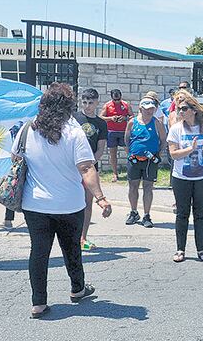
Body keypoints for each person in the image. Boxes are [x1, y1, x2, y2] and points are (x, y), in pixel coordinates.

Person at [18, 83, 112, 318]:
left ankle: (38, 303)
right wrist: (100, 198)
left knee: (38, 252)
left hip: (35, 203)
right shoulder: (74, 132)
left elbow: (15, 157)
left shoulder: (28, 129)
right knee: (71, 248)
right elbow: (87, 168)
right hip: (69, 203)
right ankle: (77, 289)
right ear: (69, 106)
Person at [167, 94, 203, 263]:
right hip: (181, 177)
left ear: (194, 110)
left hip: (202, 176)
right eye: (179, 108)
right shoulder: (176, 128)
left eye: (184, 108)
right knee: (182, 214)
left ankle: (201, 249)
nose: (180, 111)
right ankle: (180, 249)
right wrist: (191, 149)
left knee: (199, 214)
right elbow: (173, 154)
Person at [68, 88, 109, 249]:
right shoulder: (74, 118)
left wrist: (88, 163)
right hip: (71, 167)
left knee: (87, 202)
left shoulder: (101, 123)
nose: (87, 106)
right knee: (70, 201)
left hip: (90, 167)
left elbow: (100, 148)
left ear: (97, 102)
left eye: (90, 102)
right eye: (84, 102)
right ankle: (70, 236)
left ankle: (83, 238)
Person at [125, 94, 166, 230]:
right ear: (141, 108)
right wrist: (130, 152)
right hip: (134, 159)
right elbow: (127, 138)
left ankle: (147, 215)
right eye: (147, 108)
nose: (150, 111)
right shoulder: (132, 122)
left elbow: (163, 139)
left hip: (150, 161)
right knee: (133, 186)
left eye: (152, 108)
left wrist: (158, 154)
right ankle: (133, 212)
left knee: (148, 187)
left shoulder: (156, 123)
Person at [100, 89, 133, 182]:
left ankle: (132, 172)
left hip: (124, 131)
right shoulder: (107, 105)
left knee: (129, 152)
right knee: (112, 154)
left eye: (119, 99)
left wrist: (125, 118)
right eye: (115, 100)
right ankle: (115, 174)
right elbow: (101, 117)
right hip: (111, 132)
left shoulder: (126, 104)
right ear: (112, 98)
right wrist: (111, 118)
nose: (117, 101)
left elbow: (132, 116)